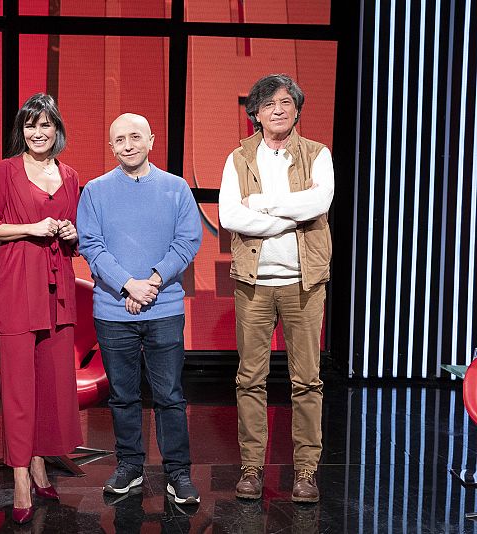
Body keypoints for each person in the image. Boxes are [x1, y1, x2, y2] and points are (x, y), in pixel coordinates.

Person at [218, 74, 334, 503]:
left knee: (307, 381)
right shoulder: (239, 158)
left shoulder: (318, 155)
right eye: (268, 105)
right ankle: (251, 468)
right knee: (251, 379)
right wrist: (290, 214)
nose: (278, 110)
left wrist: (263, 204)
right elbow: (231, 215)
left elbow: (318, 204)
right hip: (254, 285)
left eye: (286, 102)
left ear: (297, 109)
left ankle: (306, 472)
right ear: (256, 114)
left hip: (305, 283)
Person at [77, 113, 203, 505]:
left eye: (135, 137)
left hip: (163, 307)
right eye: (119, 139)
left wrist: (150, 283)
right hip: (113, 310)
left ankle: (178, 472)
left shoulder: (176, 187)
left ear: (151, 140)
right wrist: (128, 285)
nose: (128, 145)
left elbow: (187, 241)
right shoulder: (95, 191)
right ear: (111, 146)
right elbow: (91, 246)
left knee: (169, 394)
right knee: (123, 395)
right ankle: (129, 465)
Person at [0, 93, 82, 524]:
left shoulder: (71, 175)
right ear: (21, 132)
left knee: (50, 386)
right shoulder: (3, 171)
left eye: (46, 126)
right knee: (19, 390)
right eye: (30, 126)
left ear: (58, 131)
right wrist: (30, 228)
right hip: (18, 289)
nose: (38, 133)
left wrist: (71, 232)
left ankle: (40, 461)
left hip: (58, 293)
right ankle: (21, 478)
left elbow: (76, 233)